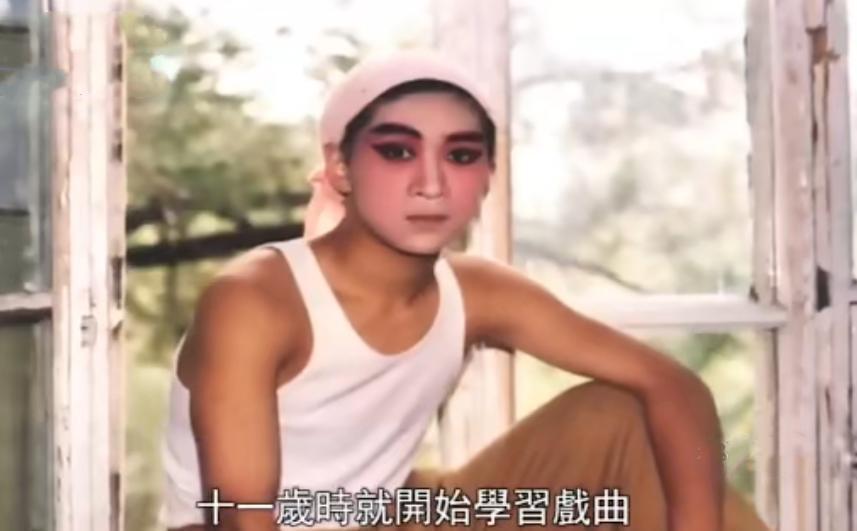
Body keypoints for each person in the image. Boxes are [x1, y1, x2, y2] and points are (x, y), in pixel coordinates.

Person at [160, 49, 770, 531]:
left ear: (487, 178)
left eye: (460, 155)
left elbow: (676, 386)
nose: (431, 184)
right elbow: (241, 516)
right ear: (341, 167)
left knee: (623, 414)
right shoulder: (254, 299)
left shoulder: (477, 292)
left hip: (392, 515)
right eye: (397, 151)